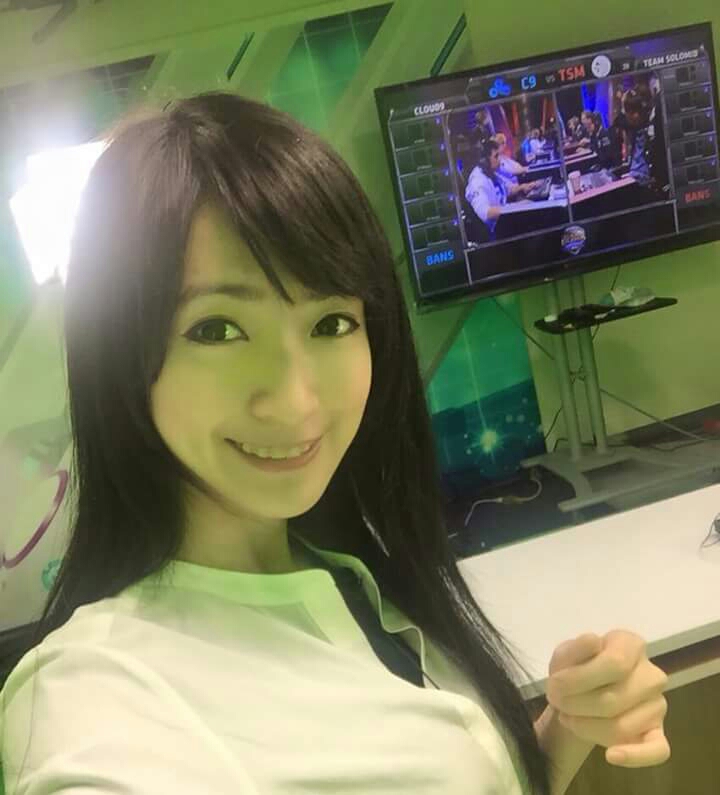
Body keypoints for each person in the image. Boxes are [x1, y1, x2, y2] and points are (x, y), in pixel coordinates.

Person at [0, 91, 555, 795]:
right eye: (217, 329)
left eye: (331, 324)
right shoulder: (94, 695)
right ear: (122, 360)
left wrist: (551, 743)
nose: (295, 401)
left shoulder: (358, 569)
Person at [465, 138, 542, 239]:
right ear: (484, 160)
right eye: (496, 156)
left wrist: (523, 187)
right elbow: (487, 213)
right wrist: (516, 208)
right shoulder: (477, 182)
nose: (500, 160)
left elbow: (506, 190)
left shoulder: (490, 173)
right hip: (499, 232)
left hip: (506, 221)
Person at [623, 84, 669, 190]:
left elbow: (645, 172)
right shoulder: (636, 131)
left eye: (627, 112)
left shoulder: (653, 129)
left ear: (635, 113)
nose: (625, 115)